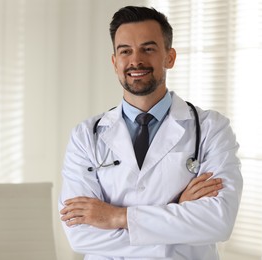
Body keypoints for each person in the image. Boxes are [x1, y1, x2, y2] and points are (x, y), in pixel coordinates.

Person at [59, 6, 243, 260]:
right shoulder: (85, 136)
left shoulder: (212, 128)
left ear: (169, 57)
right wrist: (176, 215)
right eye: (125, 51)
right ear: (115, 62)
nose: (136, 61)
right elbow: (79, 234)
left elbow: (218, 221)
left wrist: (115, 216)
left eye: (148, 49)